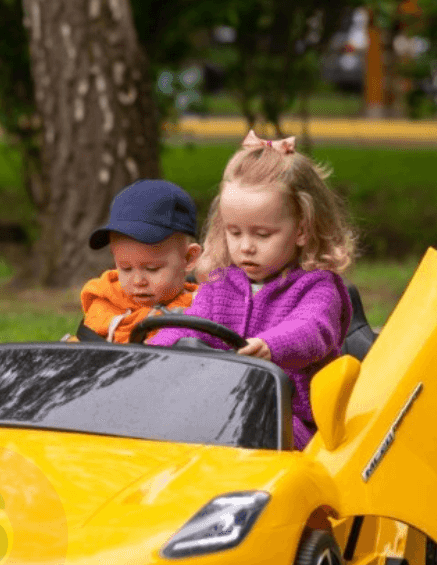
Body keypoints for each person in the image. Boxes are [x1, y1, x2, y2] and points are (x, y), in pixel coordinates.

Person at [149, 132, 356, 449]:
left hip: (290, 422)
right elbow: (189, 326)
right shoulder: (218, 285)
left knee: (235, 425)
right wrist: (150, 354)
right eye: (234, 232)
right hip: (222, 407)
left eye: (262, 234)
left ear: (301, 229)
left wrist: (271, 345)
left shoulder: (317, 286)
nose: (246, 247)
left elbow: (313, 330)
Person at [80, 179, 203, 343]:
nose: (138, 281)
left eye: (152, 268)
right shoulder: (105, 297)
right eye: (125, 268)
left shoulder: (201, 308)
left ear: (188, 259)